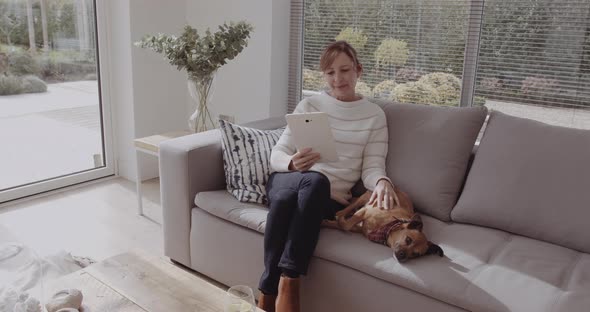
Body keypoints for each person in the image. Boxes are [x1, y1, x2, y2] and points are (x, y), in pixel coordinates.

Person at [257, 41, 397, 312]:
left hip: (323, 200)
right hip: (289, 179)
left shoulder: (374, 116)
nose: (338, 79)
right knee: (313, 182)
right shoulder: (310, 104)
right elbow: (277, 155)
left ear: (359, 70)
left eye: (344, 70)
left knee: (290, 200)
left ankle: (267, 291)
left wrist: (381, 181)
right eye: (330, 72)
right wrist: (292, 163)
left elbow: (372, 166)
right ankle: (290, 280)